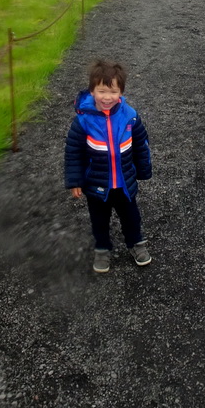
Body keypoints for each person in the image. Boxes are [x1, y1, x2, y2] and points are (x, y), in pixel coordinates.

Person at [64, 59, 152, 274]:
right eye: (102, 91)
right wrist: (75, 180)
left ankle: (136, 244)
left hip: (124, 183)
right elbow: (73, 152)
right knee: (99, 220)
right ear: (92, 91)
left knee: (131, 217)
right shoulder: (82, 121)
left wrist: (143, 169)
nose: (107, 97)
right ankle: (102, 249)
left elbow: (141, 145)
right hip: (96, 184)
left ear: (121, 92)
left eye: (113, 92)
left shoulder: (130, 117)